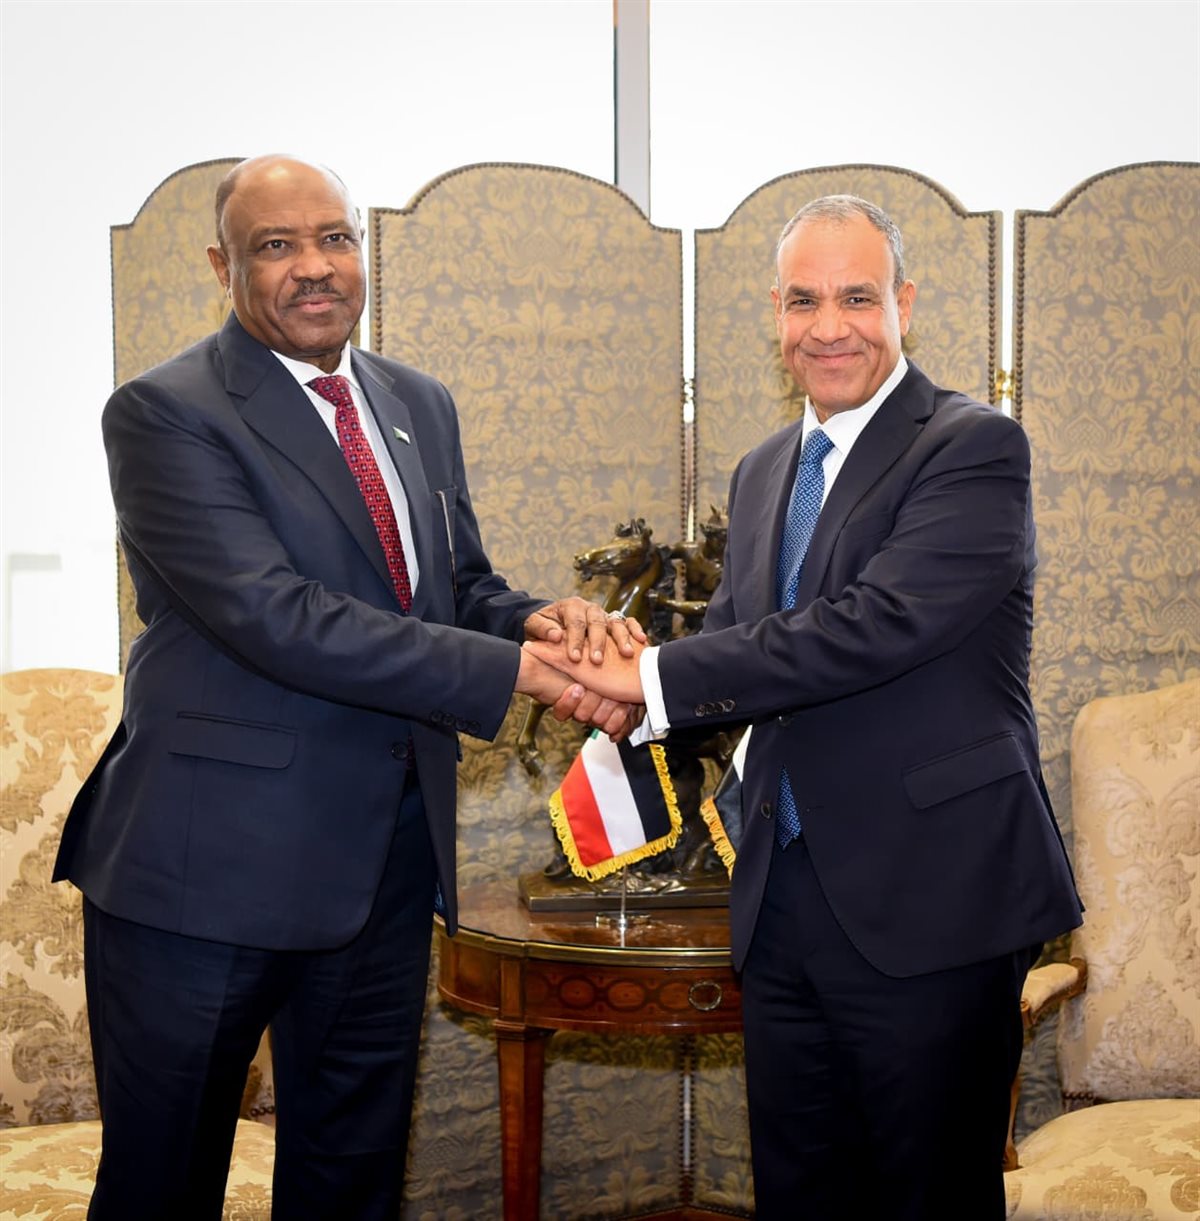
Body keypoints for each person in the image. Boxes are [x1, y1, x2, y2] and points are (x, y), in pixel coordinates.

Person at [54, 154, 638, 1221]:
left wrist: (539, 622)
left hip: (383, 863)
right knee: (161, 1185)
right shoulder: (165, 411)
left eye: (334, 238)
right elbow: (276, 615)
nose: (315, 267)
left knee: (351, 1183)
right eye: (277, 246)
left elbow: (452, 586)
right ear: (223, 267)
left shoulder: (416, 401)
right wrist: (520, 671)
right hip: (204, 871)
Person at [530, 195, 1084, 1219]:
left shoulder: (971, 447)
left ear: (905, 305)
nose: (829, 326)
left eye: (856, 298)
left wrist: (652, 680)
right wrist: (624, 695)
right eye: (802, 301)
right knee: (799, 1193)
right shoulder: (762, 471)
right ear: (774, 315)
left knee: (927, 1197)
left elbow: (870, 628)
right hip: (782, 902)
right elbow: (735, 650)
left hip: (932, 900)